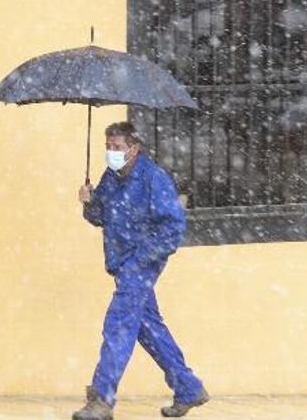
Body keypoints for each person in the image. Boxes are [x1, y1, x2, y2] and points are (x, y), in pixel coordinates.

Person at [73, 122, 208, 420]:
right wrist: (88, 202)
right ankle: (188, 387)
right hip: (122, 264)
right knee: (147, 327)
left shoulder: (153, 178)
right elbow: (100, 216)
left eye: (117, 147)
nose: (111, 152)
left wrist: (140, 260)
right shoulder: (111, 177)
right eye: (108, 147)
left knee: (118, 324)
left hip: (140, 264)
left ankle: (102, 398)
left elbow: (173, 228)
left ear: (133, 149)